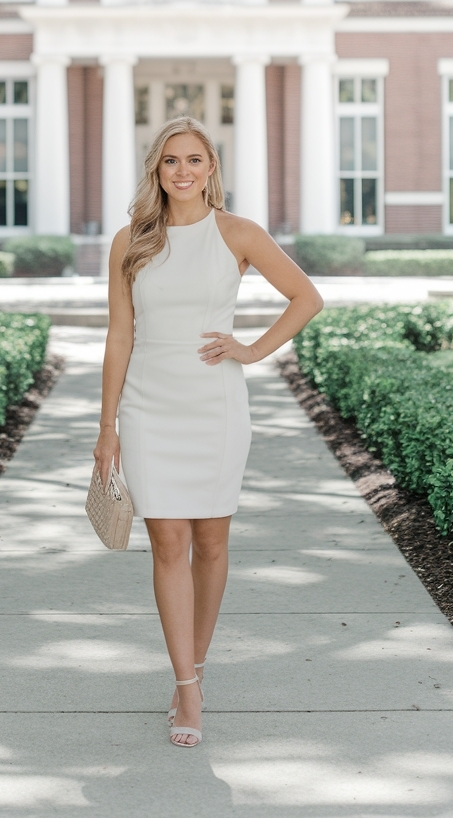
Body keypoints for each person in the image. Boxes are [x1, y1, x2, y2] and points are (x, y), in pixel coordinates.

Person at [94, 116, 323, 747]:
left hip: (215, 406)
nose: (184, 172)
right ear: (156, 171)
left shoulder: (239, 233)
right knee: (168, 544)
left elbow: (306, 297)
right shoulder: (130, 241)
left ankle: (191, 669)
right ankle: (187, 687)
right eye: (172, 162)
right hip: (147, 405)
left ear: (212, 168)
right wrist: (107, 426)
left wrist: (250, 351)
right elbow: (120, 335)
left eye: (196, 160)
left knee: (212, 543)